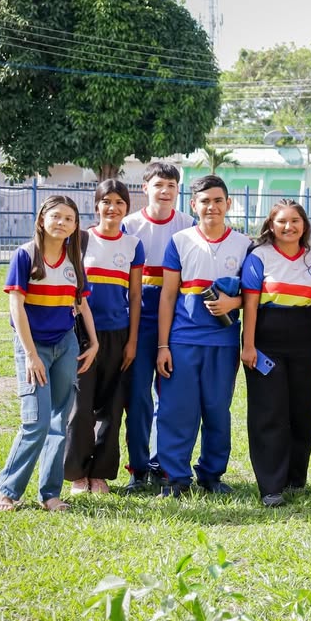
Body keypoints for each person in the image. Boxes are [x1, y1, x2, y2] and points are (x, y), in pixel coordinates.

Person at [0, 196, 99, 512]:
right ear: (42, 220)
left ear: (75, 226)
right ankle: (7, 490)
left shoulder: (74, 261)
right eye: (56, 216)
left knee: (59, 420)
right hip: (34, 347)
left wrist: (93, 342)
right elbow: (16, 306)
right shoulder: (25, 256)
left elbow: (82, 304)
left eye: (69, 218)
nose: (62, 223)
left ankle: (50, 494)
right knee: (36, 421)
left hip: (65, 344)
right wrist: (30, 354)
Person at [155, 175, 249, 497]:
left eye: (218, 200)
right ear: (193, 204)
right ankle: (175, 477)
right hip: (182, 340)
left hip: (223, 343)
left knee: (217, 411)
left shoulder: (244, 244)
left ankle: (211, 475)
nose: (212, 206)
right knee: (177, 410)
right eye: (204, 201)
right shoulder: (180, 241)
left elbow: (252, 295)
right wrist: (163, 345)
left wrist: (233, 302)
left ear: (228, 204)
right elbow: (168, 296)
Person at [241, 199, 311, 507]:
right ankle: (271, 485)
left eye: (295, 220)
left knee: (302, 410)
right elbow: (250, 303)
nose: (289, 226)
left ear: (305, 225)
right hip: (267, 337)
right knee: (270, 411)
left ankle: (295, 479)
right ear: (271, 225)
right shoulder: (259, 256)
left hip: (304, 338)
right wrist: (248, 345)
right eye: (282, 221)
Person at [64, 180, 145, 495]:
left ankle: (100, 474)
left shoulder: (133, 245)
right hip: (82, 334)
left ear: (127, 207)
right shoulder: (80, 240)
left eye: (119, 202)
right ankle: (77, 474)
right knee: (80, 407)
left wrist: (133, 341)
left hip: (118, 333)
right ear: (96, 206)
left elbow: (136, 296)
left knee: (111, 409)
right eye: (106, 202)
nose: (113, 208)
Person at [121, 161, 195, 494]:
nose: (165, 192)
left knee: (172, 396)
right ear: (145, 188)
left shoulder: (188, 224)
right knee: (138, 396)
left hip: (176, 315)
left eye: (171, 186)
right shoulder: (128, 224)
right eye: (158, 185)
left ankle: (165, 464)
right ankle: (138, 467)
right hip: (138, 314)